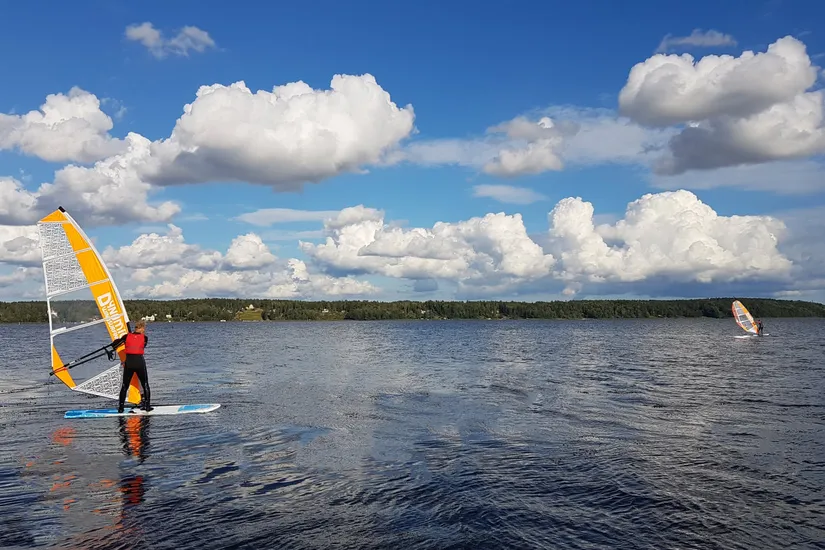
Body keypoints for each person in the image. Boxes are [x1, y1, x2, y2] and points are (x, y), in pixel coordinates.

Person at [110, 320, 152, 413]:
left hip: (129, 363)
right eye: (143, 329)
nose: (144, 331)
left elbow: (115, 344)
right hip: (139, 362)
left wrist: (117, 342)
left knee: (125, 386)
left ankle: (121, 408)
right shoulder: (145, 338)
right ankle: (148, 407)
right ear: (141, 328)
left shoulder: (126, 336)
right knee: (145, 384)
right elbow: (142, 346)